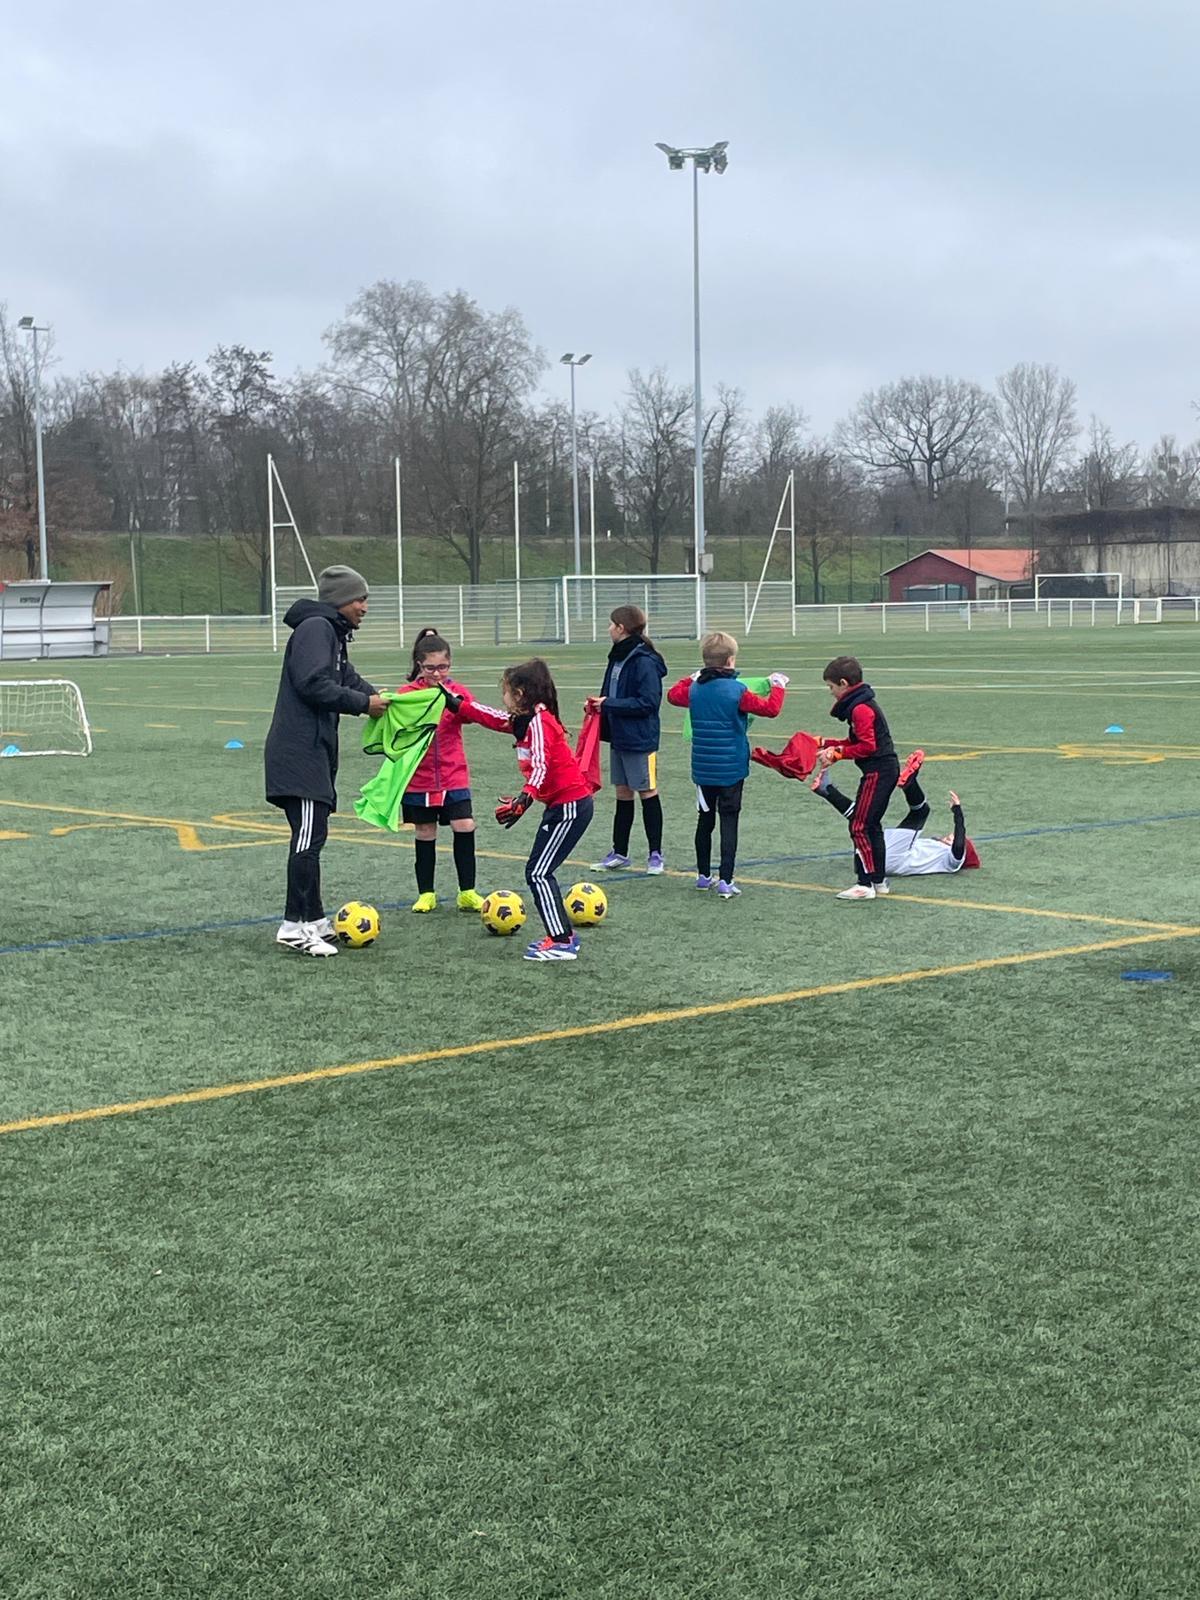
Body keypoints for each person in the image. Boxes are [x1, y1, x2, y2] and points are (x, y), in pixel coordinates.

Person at [264, 565, 386, 956]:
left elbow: (348, 679)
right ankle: (292, 925)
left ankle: (314, 918)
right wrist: (363, 704)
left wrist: (387, 701)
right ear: (341, 600)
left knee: (314, 836)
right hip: (298, 753)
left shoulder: (332, 634)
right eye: (360, 599)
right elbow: (313, 683)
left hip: (313, 752)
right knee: (307, 840)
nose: (365, 607)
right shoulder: (316, 629)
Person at [392, 627, 508, 914]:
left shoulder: (457, 691)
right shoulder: (407, 694)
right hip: (418, 778)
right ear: (419, 665)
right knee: (425, 831)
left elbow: (472, 714)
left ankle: (467, 891)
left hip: (453, 773)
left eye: (443, 667)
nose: (437, 673)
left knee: (464, 825)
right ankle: (426, 894)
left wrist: (456, 704)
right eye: (430, 668)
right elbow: (394, 728)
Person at [665, 631, 787, 899]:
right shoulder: (737, 691)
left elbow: (673, 695)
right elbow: (770, 709)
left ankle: (702, 875)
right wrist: (778, 685)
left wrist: (692, 677)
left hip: (703, 768)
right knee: (729, 821)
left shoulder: (695, 689)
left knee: (705, 820)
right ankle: (726, 880)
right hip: (732, 767)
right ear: (731, 660)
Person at [488, 659, 595, 961]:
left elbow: (541, 765)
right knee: (538, 871)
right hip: (563, 806)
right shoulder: (528, 719)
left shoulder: (539, 722)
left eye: (506, 691)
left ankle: (562, 942)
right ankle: (563, 936)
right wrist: (458, 705)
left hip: (570, 806)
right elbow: (492, 717)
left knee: (538, 872)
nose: (503, 697)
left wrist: (524, 799)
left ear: (519, 694)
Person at [586, 604, 667, 875]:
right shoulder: (618, 656)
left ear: (621, 628)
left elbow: (648, 703)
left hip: (640, 739)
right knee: (622, 793)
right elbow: (611, 692)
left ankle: (655, 854)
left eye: (611, 624)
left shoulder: (644, 660)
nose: (608, 628)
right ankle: (619, 852)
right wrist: (599, 706)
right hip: (619, 736)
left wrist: (609, 704)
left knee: (647, 791)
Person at [810, 655, 899, 901]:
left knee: (859, 825)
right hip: (882, 770)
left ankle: (865, 883)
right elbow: (854, 742)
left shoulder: (861, 709)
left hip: (878, 771)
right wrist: (826, 743)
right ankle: (878, 881)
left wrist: (837, 753)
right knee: (871, 825)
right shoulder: (860, 706)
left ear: (843, 683)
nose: (830, 692)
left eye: (831, 687)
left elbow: (868, 747)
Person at [813, 750, 981, 875]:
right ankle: (827, 790)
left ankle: (910, 784)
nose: (948, 837)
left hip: (895, 860)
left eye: (951, 838)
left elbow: (959, 846)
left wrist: (957, 812)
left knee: (921, 812)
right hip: (874, 860)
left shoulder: (951, 862)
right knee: (865, 820)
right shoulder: (934, 848)